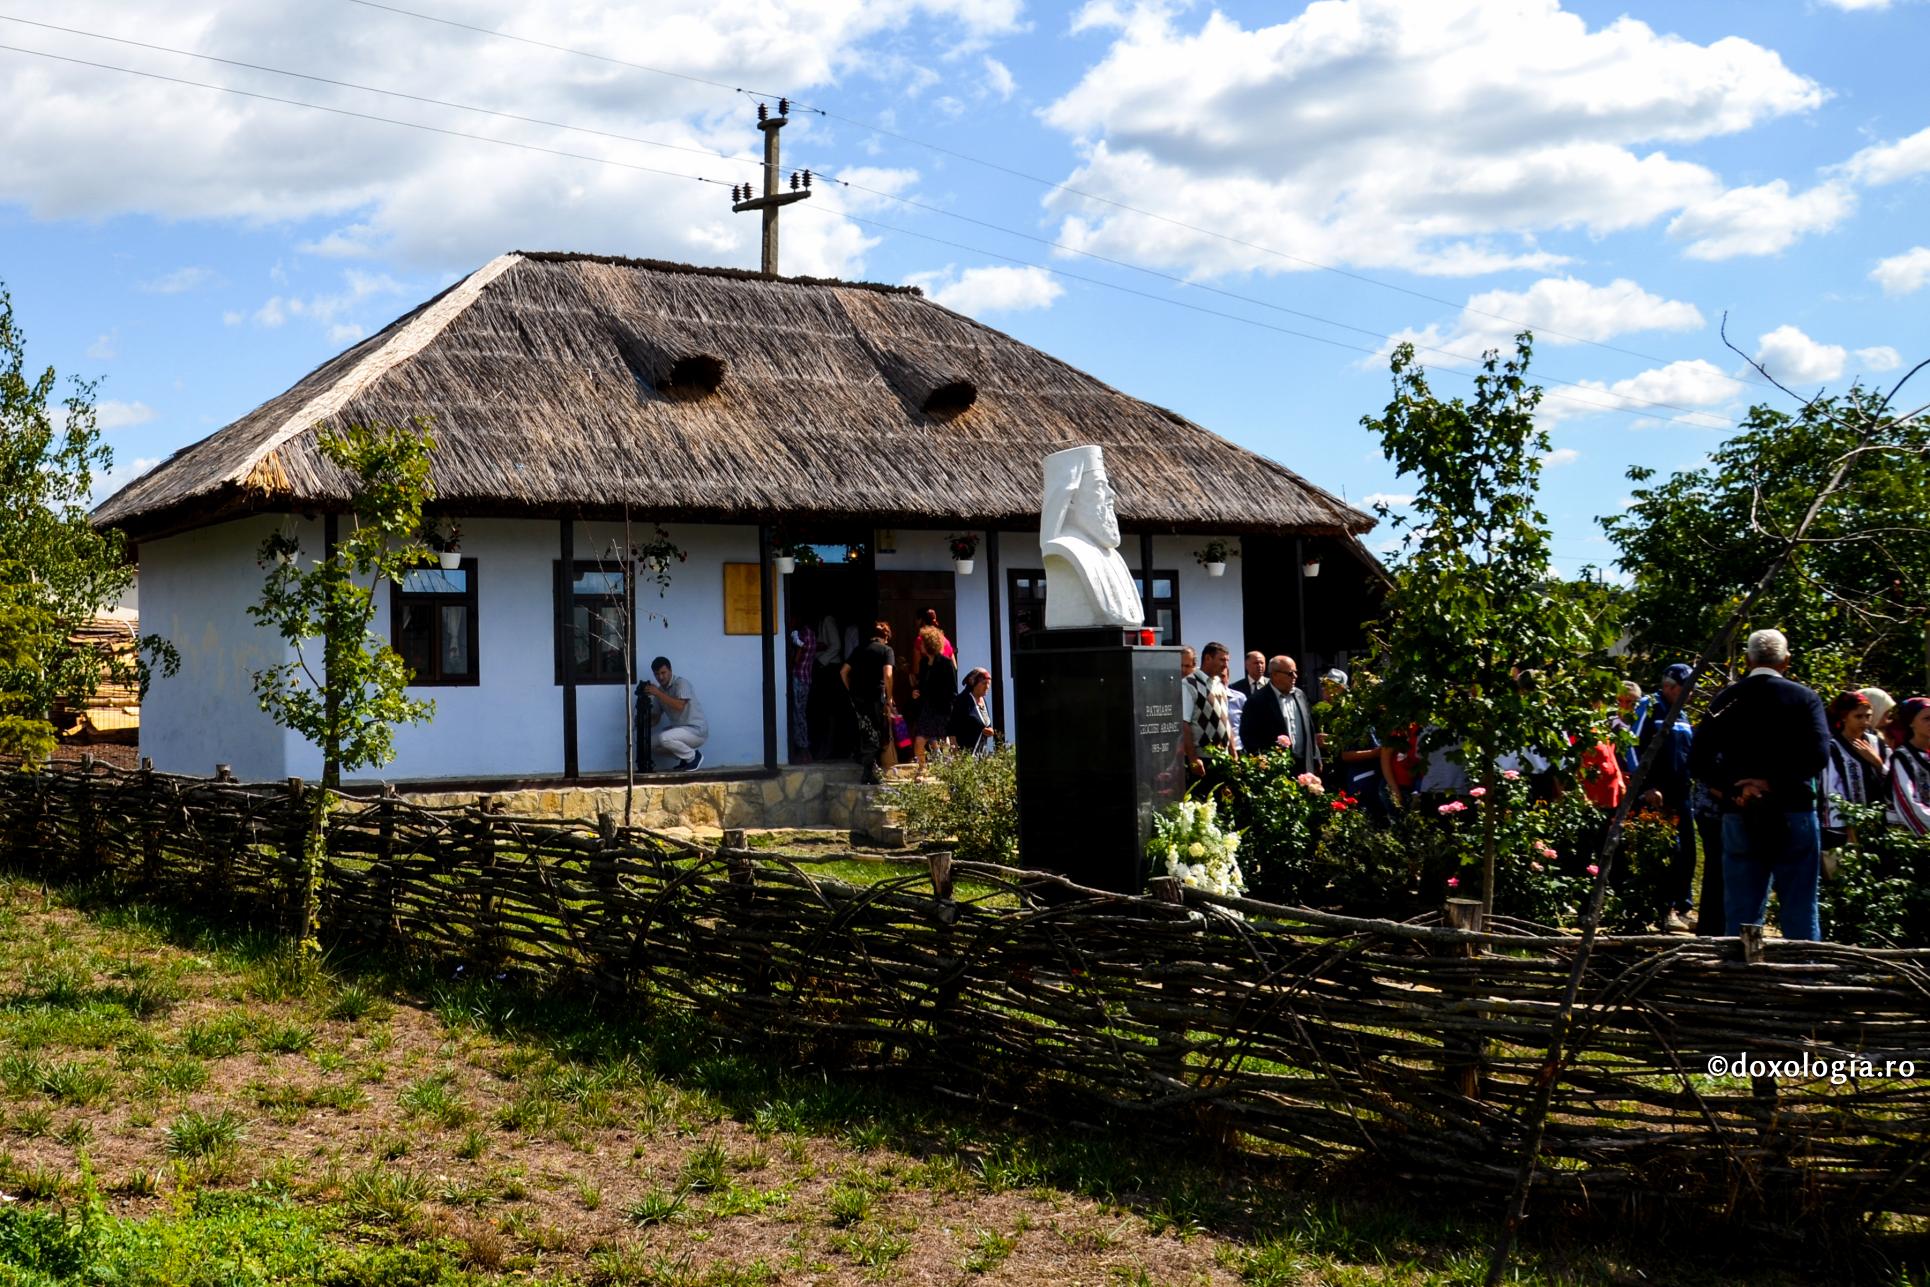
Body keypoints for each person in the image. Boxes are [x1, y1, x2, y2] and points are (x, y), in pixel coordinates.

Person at [1687, 629, 1830, 940]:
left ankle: (1742, 977)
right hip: (1794, 811)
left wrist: (1735, 789)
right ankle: (1803, 978)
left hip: (1741, 812)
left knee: (1741, 907)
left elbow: (1697, 761)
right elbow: (1819, 755)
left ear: (1748, 659)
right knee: (1799, 904)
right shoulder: (1805, 698)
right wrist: (1773, 782)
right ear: (1786, 661)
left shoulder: (1727, 699)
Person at [1636, 663, 1697, 931]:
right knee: (1667, 853)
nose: (1692, 694)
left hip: (1682, 794)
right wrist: (1645, 786)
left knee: (1688, 853)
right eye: (1687, 689)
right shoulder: (1649, 706)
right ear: (1668, 687)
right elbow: (1630, 745)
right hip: (1655, 796)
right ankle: (1664, 910)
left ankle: (1683, 907)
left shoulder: (1682, 714)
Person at [1821, 690, 1884, 852]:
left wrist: (1876, 762)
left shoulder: (1877, 744)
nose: (1864, 721)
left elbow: (1893, 778)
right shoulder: (1833, 747)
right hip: (1847, 825)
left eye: (1868, 716)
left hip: (1878, 818)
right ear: (1844, 717)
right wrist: (1847, 825)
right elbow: (1832, 790)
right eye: (1858, 716)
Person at [1240, 655, 1319, 774]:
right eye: (1290, 673)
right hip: (1277, 769)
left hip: (1305, 766)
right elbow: (1248, 736)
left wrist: (1316, 757)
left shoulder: (1300, 695)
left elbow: (1310, 728)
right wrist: (1261, 762)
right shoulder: (1257, 701)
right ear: (1275, 674)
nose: (1295, 677)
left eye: (1295, 672)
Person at [842, 621, 895, 785]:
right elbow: (888, 675)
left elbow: (843, 671)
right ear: (885, 636)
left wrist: (850, 690)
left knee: (865, 731)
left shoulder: (859, 650)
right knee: (877, 732)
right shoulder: (886, 650)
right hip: (876, 697)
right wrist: (889, 697)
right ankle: (869, 772)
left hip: (858, 698)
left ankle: (868, 769)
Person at [640, 656, 707, 772]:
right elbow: (656, 719)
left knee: (664, 738)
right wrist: (642, 722)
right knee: (649, 744)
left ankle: (693, 757)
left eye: (663, 673)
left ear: (670, 670)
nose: (660, 677)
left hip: (696, 731)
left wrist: (658, 693)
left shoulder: (681, 683)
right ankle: (685, 758)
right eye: (656, 674)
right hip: (680, 731)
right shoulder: (659, 691)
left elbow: (679, 706)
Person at [1181, 641, 1237, 777]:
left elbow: (1225, 720)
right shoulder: (1189, 684)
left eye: (1227, 660)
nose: (1225, 665)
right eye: (1222, 660)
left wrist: (1233, 751)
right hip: (1203, 758)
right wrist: (1193, 758)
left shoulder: (1219, 683)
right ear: (1207, 658)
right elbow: (1184, 723)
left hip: (1222, 757)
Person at [909, 624, 956, 770]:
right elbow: (922, 685)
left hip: (942, 709)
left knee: (946, 743)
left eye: (922, 642)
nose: (920, 645)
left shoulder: (946, 663)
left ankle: (950, 769)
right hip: (927, 708)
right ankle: (922, 769)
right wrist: (916, 692)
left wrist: (949, 711)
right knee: (919, 741)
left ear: (929, 644)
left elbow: (952, 690)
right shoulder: (923, 663)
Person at [1885, 695, 1930, 837]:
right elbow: (1907, 800)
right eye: (1927, 719)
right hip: (1909, 837)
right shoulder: (1903, 757)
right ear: (1911, 723)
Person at [948, 667, 999, 755]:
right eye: (984, 683)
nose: (987, 687)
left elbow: (985, 724)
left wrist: (990, 730)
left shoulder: (982, 700)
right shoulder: (962, 700)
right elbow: (952, 728)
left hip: (980, 754)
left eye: (989, 684)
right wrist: (955, 752)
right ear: (973, 683)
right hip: (965, 754)